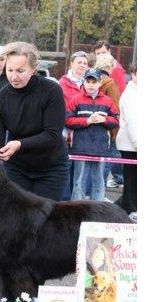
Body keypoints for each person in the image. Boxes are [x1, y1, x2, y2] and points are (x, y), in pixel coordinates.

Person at [0, 41, 69, 201]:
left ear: (33, 69)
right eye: (9, 70)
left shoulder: (51, 91)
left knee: (45, 220)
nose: (14, 76)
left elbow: (52, 135)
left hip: (51, 166)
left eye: (20, 71)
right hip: (16, 168)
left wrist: (19, 144)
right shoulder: (0, 100)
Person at [66, 68, 119, 201]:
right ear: (83, 82)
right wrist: (87, 121)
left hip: (100, 148)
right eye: (88, 81)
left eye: (94, 81)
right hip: (80, 147)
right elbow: (67, 120)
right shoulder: (76, 100)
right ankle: (77, 210)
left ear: (100, 83)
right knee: (79, 182)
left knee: (99, 182)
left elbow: (116, 121)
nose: (90, 84)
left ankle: (98, 211)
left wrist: (104, 120)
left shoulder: (107, 101)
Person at [58, 50, 88, 200]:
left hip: (83, 131)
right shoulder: (62, 83)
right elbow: (61, 107)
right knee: (66, 166)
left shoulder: (90, 82)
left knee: (80, 170)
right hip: (65, 130)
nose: (82, 65)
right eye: (79, 62)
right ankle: (64, 201)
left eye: (85, 63)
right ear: (71, 63)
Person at [95, 54, 123, 189]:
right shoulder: (110, 83)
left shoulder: (92, 80)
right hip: (109, 126)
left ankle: (93, 191)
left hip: (94, 124)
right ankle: (101, 190)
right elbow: (114, 107)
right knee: (109, 158)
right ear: (110, 67)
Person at [115, 63, 137, 221]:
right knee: (132, 180)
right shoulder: (131, 95)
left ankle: (125, 208)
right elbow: (133, 122)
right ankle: (130, 209)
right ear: (134, 74)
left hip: (133, 144)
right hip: (131, 146)